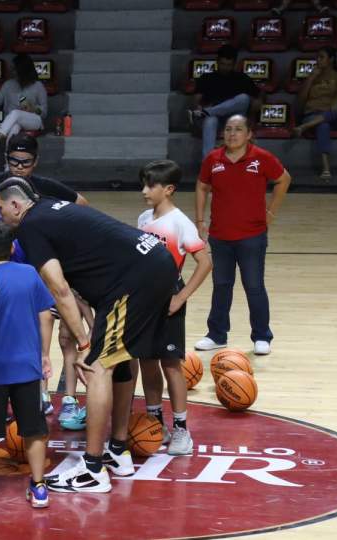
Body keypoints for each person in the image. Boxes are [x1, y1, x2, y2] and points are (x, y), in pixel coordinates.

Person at [0, 178, 177, 493]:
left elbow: (59, 288)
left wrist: (83, 342)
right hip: (153, 263)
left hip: (133, 279)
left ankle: (93, 468)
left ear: (15, 205)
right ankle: (117, 450)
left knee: (96, 365)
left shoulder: (30, 226)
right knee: (120, 358)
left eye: (0, 209)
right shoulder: (52, 208)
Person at [194, 115, 291, 356]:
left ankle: (261, 336)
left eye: (238, 129)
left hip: (252, 236)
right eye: (228, 129)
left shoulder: (261, 157)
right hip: (220, 235)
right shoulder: (213, 159)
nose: (232, 134)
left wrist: (271, 212)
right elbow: (201, 186)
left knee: (254, 286)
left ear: (249, 134)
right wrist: (199, 219)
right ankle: (216, 335)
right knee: (222, 286)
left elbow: (283, 179)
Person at [136, 160, 212, 456]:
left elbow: (205, 263)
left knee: (171, 365)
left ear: (168, 189)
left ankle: (181, 429)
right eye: (143, 184)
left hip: (169, 298)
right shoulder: (144, 218)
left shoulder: (181, 222)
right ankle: (155, 421)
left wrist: (181, 298)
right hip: (145, 299)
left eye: (150, 185)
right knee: (147, 362)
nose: (144, 191)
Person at [0, 220, 54, 509]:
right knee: (34, 429)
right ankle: (39, 487)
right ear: (12, 247)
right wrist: (44, 355)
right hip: (26, 367)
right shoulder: (28, 273)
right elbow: (45, 315)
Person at [188, 45, 260, 159]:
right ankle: (208, 163)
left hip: (235, 118)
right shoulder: (207, 78)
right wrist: (197, 107)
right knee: (210, 120)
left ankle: (208, 111)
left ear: (234, 64)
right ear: (217, 62)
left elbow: (258, 98)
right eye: (222, 64)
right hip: (215, 119)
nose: (225, 68)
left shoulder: (242, 78)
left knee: (244, 98)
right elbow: (195, 101)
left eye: (229, 65)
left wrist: (256, 105)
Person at [293, 47, 337, 182]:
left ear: (331, 59)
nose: (317, 60)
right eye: (317, 57)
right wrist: (311, 78)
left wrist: (336, 100)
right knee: (323, 125)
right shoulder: (311, 77)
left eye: (321, 57)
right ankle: (326, 168)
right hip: (312, 114)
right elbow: (300, 101)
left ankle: (304, 127)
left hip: (333, 115)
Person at [0, 133, 88, 206]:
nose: (19, 166)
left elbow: (81, 202)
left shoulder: (46, 186)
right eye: (14, 160)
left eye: (26, 162)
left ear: (35, 161)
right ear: (6, 158)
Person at [0, 54, 48, 167]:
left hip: (33, 120)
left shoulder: (38, 86)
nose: (12, 71)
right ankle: (9, 165)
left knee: (15, 113)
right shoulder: (8, 84)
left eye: (15, 69)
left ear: (23, 70)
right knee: (13, 129)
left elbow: (44, 112)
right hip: (11, 122)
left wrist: (34, 109)